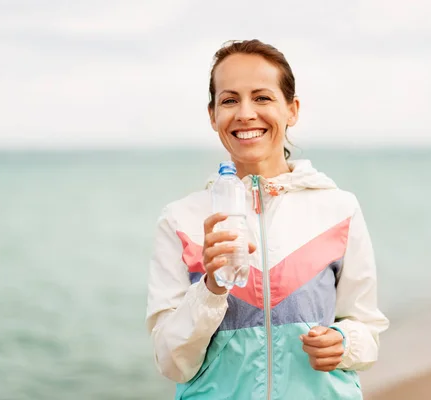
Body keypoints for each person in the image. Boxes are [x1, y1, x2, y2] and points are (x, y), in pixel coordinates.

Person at [146, 39, 389, 400]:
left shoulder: (339, 210)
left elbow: (366, 329)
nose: (245, 113)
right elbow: (171, 362)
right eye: (229, 100)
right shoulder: (180, 221)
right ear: (212, 115)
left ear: (292, 110)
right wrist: (212, 287)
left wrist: (344, 342)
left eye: (262, 97)